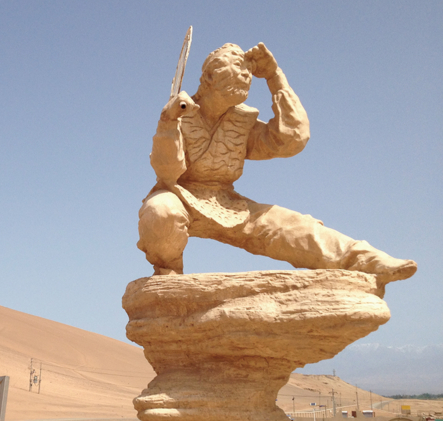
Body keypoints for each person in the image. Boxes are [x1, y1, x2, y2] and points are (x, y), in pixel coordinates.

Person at [137, 43, 417, 285]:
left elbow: (291, 139)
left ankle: (366, 261)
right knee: (160, 211)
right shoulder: (180, 112)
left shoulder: (241, 122)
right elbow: (167, 172)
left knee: (294, 227)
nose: (246, 75)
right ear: (210, 76)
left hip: (228, 204)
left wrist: (274, 76)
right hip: (181, 196)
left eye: (249, 70)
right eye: (238, 67)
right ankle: (168, 273)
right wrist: (168, 123)